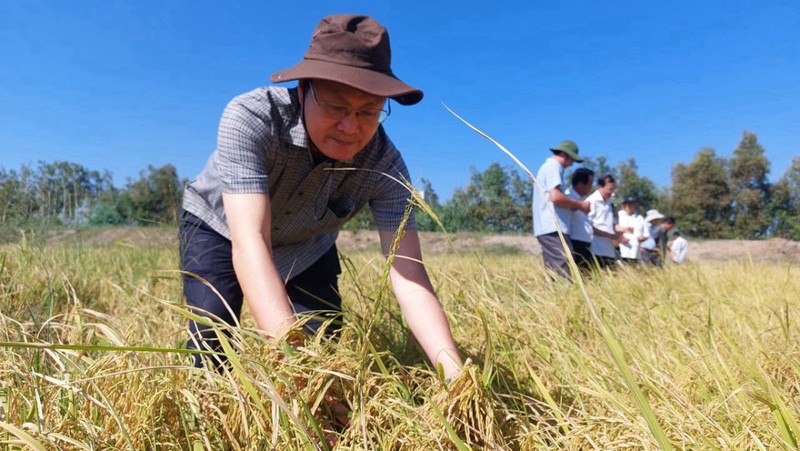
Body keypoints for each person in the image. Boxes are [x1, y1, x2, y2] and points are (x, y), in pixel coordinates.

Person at [178, 14, 463, 380]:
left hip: (307, 241)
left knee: (323, 341)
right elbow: (250, 241)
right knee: (211, 336)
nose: (350, 127)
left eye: (368, 111)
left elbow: (410, 277)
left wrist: (456, 376)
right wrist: (302, 371)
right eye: (335, 106)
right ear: (302, 90)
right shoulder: (250, 119)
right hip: (220, 227)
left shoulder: (386, 168)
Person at [532, 140, 590, 280]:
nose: (571, 165)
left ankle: (551, 300)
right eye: (572, 160)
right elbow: (556, 197)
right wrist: (579, 205)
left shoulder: (548, 167)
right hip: (554, 227)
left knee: (554, 272)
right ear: (565, 155)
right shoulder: (554, 167)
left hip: (548, 228)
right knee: (562, 272)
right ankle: (564, 300)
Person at [587, 175, 625, 269]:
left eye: (613, 189)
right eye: (609, 189)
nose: (611, 193)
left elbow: (613, 224)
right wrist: (610, 235)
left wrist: (623, 231)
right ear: (599, 187)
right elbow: (588, 226)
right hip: (595, 248)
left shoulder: (609, 203)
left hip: (608, 249)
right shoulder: (591, 201)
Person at [565, 168, 595, 271]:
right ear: (581, 183)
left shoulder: (585, 199)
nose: (591, 187)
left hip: (586, 243)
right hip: (575, 242)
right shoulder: (568, 197)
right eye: (590, 184)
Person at [617, 197, 646, 264]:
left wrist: (642, 238)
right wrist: (620, 238)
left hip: (634, 250)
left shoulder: (639, 218)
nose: (630, 206)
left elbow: (645, 234)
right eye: (628, 204)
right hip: (621, 247)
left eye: (632, 204)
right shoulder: (619, 215)